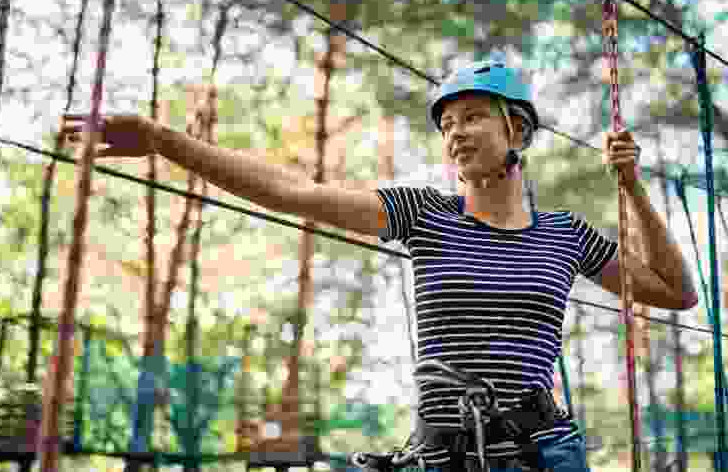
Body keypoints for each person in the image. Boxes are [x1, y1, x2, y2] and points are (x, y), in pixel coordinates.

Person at [60, 60, 698, 471]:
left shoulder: (566, 235)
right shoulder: (424, 213)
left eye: (473, 116)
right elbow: (296, 195)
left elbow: (675, 293)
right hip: (443, 454)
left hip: (537, 453)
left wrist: (633, 188)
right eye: (447, 123)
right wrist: (164, 141)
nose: (456, 132)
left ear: (518, 133)